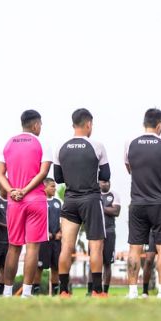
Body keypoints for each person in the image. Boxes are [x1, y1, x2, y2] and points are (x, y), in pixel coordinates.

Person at [54, 108, 110, 298]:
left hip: (70, 200)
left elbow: (58, 177)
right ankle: (97, 290)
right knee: (96, 245)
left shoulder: (60, 146)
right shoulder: (97, 146)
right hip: (91, 200)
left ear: (73, 125)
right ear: (89, 124)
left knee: (66, 247)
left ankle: (62, 290)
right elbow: (106, 176)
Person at [0, 110, 52, 298]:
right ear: (36, 125)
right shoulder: (43, 142)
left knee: (13, 246)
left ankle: (7, 291)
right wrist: (26, 191)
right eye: (41, 125)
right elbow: (43, 173)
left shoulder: (8, 143)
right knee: (32, 247)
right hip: (35, 199)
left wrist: (12, 191)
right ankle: (27, 292)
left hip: (14, 202)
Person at [125, 108, 161, 299]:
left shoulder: (130, 143)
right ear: (160, 125)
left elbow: (130, 168)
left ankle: (132, 292)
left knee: (134, 248)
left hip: (137, 201)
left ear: (144, 122)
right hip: (160, 202)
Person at [35, 178, 62, 295]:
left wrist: (61, 232)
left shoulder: (58, 201)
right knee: (39, 267)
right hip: (43, 240)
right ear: (44, 187)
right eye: (52, 186)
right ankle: (35, 292)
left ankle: (55, 294)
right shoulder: (39, 201)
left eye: (55, 186)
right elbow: (36, 220)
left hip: (56, 240)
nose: (54, 188)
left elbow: (63, 220)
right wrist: (45, 232)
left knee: (56, 267)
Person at [100, 179, 121, 295]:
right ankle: (92, 290)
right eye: (103, 182)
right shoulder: (94, 195)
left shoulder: (114, 195)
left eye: (108, 181)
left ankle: (105, 292)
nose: (106, 184)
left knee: (107, 263)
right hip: (96, 232)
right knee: (94, 261)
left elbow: (116, 211)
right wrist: (107, 209)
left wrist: (101, 208)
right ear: (98, 183)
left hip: (109, 231)